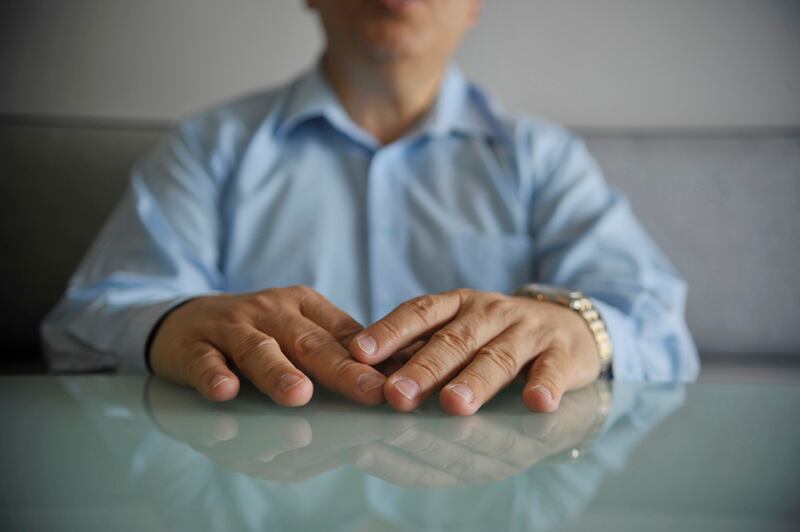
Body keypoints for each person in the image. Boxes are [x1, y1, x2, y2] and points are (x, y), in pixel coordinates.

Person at [41, 0, 699, 415]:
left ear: (476, 5)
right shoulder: (207, 149)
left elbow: (661, 329)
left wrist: (580, 328)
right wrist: (174, 323)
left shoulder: (543, 159)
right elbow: (84, 324)